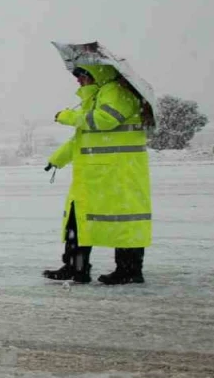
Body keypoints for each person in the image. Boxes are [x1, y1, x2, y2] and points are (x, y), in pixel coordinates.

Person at [42, 64, 152, 285]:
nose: (78, 80)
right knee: (78, 221)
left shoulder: (116, 92)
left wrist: (67, 116)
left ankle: (129, 271)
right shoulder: (97, 96)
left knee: (123, 222)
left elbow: (103, 120)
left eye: (81, 75)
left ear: (96, 73)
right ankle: (76, 268)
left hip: (118, 173)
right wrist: (57, 159)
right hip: (96, 174)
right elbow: (81, 138)